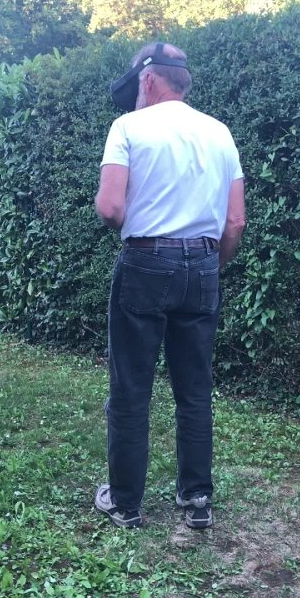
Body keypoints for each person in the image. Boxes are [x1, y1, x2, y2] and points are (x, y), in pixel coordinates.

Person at [94, 42, 245, 530]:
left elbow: (110, 207)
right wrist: (209, 265)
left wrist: (144, 238)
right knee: (195, 388)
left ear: (147, 79)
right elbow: (235, 221)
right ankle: (197, 499)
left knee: (131, 387)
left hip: (145, 261)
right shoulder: (220, 132)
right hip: (202, 264)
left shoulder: (128, 127)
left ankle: (125, 504)